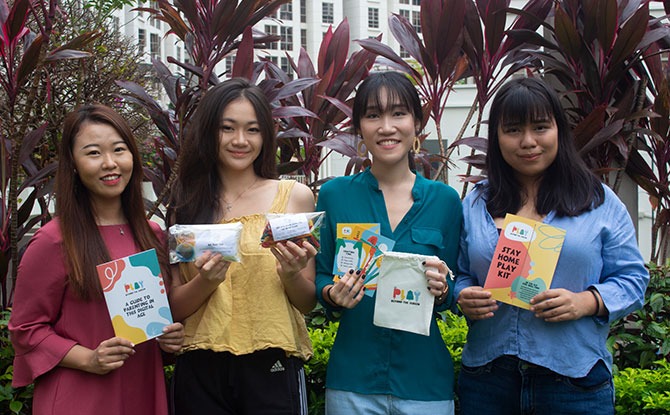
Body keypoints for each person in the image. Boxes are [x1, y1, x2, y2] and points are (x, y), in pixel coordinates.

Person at [455, 77, 650, 414]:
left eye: (540, 127)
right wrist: (463, 296)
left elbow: (633, 280)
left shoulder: (599, 202)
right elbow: (459, 274)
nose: (528, 141)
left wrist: (587, 301)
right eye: (513, 130)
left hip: (573, 381)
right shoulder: (476, 204)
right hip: (488, 379)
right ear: (497, 138)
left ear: (559, 129)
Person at [9, 104, 185, 415]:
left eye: (119, 150)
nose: (110, 163)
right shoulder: (54, 241)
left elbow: (155, 319)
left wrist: (169, 340)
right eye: (93, 153)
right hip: (80, 397)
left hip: (143, 390)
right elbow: (25, 329)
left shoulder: (153, 234)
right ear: (73, 164)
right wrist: (88, 359)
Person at [315, 71, 463, 415]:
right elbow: (320, 276)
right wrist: (330, 294)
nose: (386, 126)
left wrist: (443, 289)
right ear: (358, 128)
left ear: (417, 123)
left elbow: (454, 289)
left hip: (425, 383)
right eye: (372, 115)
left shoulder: (445, 201)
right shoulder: (335, 195)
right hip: (353, 381)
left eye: (398, 113)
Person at [168, 77, 318, 415]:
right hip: (200, 366)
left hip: (271, 363)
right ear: (210, 132)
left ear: (265, 136)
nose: (240, 140)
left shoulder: (293, 198)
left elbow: (307, 303)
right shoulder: (187, 205)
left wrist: (292, 274)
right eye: (228, 128)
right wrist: (205, 281)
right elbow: (175, 307)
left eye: (252, 130)